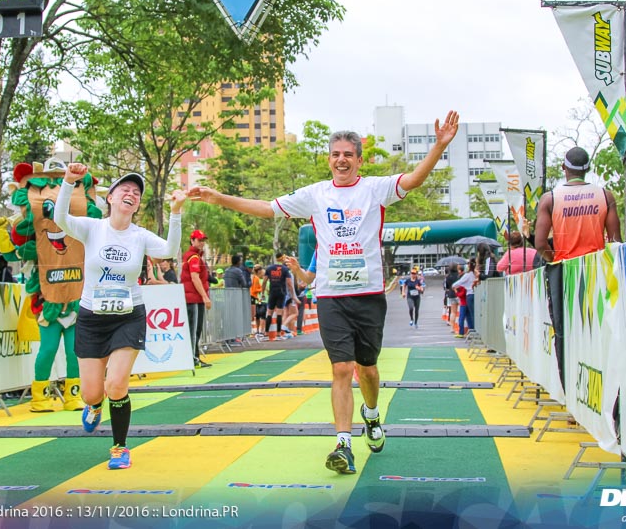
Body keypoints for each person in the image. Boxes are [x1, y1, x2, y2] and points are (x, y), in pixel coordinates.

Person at [188, 111, 460, 475]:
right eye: (336, 154)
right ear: (329, 159)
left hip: (368, 296)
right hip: (331, 297)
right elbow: (268, 209)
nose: (342, 159)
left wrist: (439, 146)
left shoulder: (375, 189)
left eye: (349, 154)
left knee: (368, 370)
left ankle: (373, 415)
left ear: (359, 160)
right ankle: (343, 444)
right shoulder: (315, 195)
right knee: (341, 369)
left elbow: (412, 180)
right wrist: (217, 197)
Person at [53, 163, 185, 470]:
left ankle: (120, 447)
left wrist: (176, 212)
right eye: (125, 189)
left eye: (136, 193)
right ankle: (94, 406)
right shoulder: (92, 227)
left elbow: (168, 250)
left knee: (116, 385)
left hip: (128, 317)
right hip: (91, 318)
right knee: (91, 393)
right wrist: (69, 182)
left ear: (136, 206)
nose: (131, 194)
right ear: (110, 198)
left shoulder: (139, 236)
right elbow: (60, 218)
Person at [534, 147, 622, 263]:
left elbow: (540, 244)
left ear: (563, 167)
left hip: (566, 270)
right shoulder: (606, 196)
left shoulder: (549, 199)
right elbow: (615, 242)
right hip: (596, 268)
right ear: (588, 169)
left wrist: (554, 260)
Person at [181, 230, 214, 368]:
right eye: (199, 240)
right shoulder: (193, 257)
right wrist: (205, 297)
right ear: (192, 240)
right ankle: (193, 358)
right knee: (194, 330)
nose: (201, 243)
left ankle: (194, 357)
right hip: (193, 298)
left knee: (196, 329)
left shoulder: (195, 256)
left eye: (203, 240)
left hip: (195, 298)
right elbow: (195, 277)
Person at [264, 253, 298, 340]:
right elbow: (290, 284)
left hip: (272, 292)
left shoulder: (269, 268)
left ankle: (266, 334)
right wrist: (293, 295)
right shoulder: (285, 270)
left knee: (269, 313)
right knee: (279, 313)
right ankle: (278, 334)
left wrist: (263, 292)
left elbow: (264, 282)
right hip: (281, 293)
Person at [451, 260, 477, 338]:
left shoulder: (467, 276)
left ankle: (463, 332)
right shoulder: (475, 274)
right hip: (474, 295)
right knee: (471, 315)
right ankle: (472, 330)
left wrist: (455, 288)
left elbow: (459, 284)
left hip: (467, 298)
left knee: (464, 316)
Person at [250, 264, 267, 336]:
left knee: (263, 316)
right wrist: (261, 289)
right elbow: (253, 290)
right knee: (257, 316)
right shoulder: (254, 278)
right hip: (257, 299)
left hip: (265, 300)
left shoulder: (266, 278)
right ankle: (258, 330)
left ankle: (262, 331)